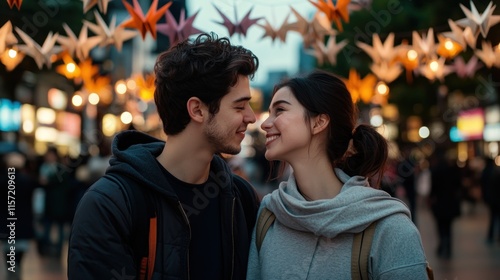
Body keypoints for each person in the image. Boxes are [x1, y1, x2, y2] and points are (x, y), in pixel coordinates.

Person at [68, 33, 260, 279]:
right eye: (239, 106)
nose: (251, 117)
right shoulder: (110, 204)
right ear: (197, 109)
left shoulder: (240, 199)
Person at [247, 70, 430, 279]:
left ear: (319, 122)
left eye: (279, 110)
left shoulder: (390, 229)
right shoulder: (269, 215)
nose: (264, 124)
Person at [428, 148, 462, 259]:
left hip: (439, 202)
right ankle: (448, 246)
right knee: (448, 226)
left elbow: (433, 188)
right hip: (450, 202)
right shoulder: (452, 169)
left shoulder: (435, 170)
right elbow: (458, 185)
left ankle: (442, 243)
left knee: (440, 225)